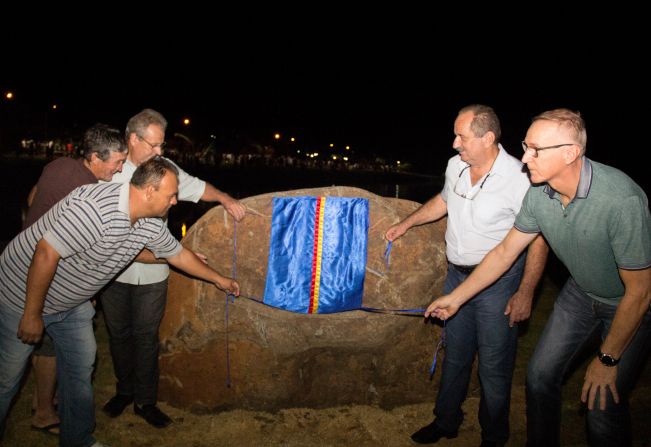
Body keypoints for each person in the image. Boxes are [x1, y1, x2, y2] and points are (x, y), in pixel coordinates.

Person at [425, 108, 650, 447]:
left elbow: (641, 292)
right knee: (539, 377)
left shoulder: (621, 200)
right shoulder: (538, 194)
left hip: (629, 304)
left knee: (603, 403)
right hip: (580, 293)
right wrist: (454, 299)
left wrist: (607, 359)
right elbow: (503, 253)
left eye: (535, 150)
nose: (524, 157)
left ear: (569, 153)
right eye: (525, 146)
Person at [0, 156, 240, 447]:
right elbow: (45, 254)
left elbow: (177, 255)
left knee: (80, 368)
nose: (176, 201)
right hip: (21, 294)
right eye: (171, 195)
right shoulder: (95, 208)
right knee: (7, 379)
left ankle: (77, 439)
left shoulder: (151, 222)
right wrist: (31, 314)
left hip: (71, 302)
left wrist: (219, 279)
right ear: (150, 191)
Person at [385, 104, 548, 446]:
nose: (455, 143)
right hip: (456, 277)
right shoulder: (455, 166)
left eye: (462, 136)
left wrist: (526, 291)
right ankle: (446, 421)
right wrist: (406, 223)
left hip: (499, 286)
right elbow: (444, 201)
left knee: (493, 365)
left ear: (488, 137)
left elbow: (538, 240)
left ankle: (494, 435)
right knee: (455, 356)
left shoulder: (520, 179)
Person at [100, 108, 246, 428]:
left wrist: (224, 198)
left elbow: (195, 187)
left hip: (153, 274)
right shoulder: (110, 172)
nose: (159, 153)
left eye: (162, 146)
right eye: (153, 145)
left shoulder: (164, 169)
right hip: (114, 274)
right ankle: (124, 391)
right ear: (132, 139)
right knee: (119, 334)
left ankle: (146, 401)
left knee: (146, 336)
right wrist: (176, 256)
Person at [23, 123, 128, 436]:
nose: (120, 169)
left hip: (31, 261)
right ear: (95, 157)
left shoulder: (58, 165)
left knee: (45, 344)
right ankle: (43, 413)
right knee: (52, 348)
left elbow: (32, 199)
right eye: (117, 163)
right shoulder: (88, 190)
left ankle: (40, 398)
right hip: (51, 273)